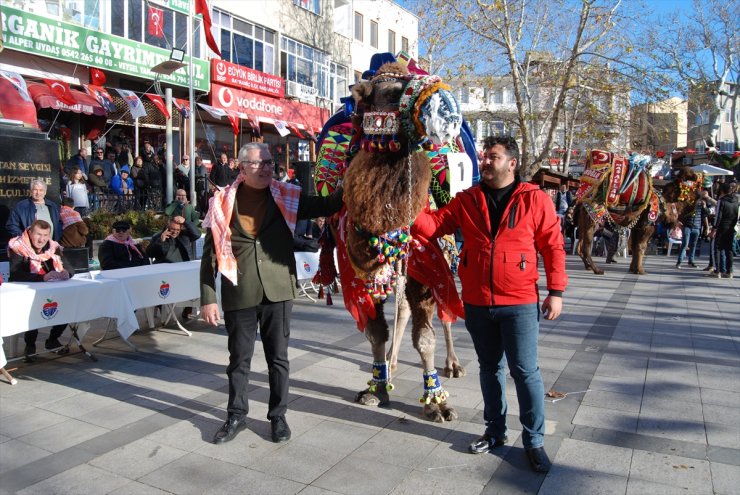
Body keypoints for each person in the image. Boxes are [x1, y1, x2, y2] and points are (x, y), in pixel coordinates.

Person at [412, 136, 567, 473]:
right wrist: (409, 208)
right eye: (483, 157)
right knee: (489, 369)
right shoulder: (467, 199)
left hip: (520, 302)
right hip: (478, 301)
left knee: (525, 371)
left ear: (511, 163)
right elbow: (435, 226)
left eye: (492, 157)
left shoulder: (534, 199)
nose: (484, 162)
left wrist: (556, 291)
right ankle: (495, 431)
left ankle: (534, 440)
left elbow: (553, 245)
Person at [200, 142, 344, 445]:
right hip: (239, 291)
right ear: (242, 167)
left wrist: (351, 178)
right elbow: (210, 255)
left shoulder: (286, 195)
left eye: (268, 161)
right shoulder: (222, 202)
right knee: (239, 360)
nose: (266, 167)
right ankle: (236, 415)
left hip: (278, 290)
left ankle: (278, 416)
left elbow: (327, 205)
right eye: (258, 163)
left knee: (278, 359)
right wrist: (208, 297)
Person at [8, 220, 74, 361]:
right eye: (38, 234)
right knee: (33, 311)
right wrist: (42, 277)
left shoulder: (53, 247)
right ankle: (30, 345)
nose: (42, 239)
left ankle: (52, 339)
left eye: (45, 235)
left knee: (68, 305)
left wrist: (66, 273)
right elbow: (15, 274)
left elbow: (69, 267)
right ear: (30, 232)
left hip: (52, 291)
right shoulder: (18, 247)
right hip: (27, 292)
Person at [708, 182, 738, 279]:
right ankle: (729, 271)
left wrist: (714, 229)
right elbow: (736, 216)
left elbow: (718, 217)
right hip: (731, 227)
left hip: (722, 227)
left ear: (722, 191)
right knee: (729, 249)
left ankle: (717, 271)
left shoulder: (722, 200)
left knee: (717, 248)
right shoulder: (736, 200)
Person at [676, 189, 704, 269]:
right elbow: (681, 212)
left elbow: (705, 214)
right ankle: (679, 261)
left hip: (697, 226)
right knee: (685, 244)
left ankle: (691, 261)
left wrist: (704, 206)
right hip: (687, 225)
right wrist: (678, 221)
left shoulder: (702, 203)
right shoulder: (688, 203)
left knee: (693, 245)